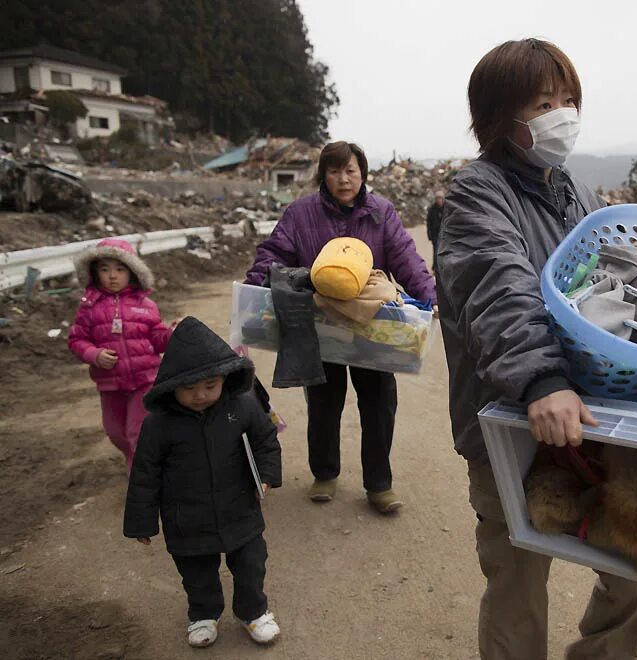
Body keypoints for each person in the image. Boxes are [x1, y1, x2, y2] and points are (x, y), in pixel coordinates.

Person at [436, 38, 637, 659]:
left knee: (634, 563)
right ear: (500, 116)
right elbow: (495, 282)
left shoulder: (577, 194)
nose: (562, 115)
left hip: (595, 419)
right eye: (542, 103)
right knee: (517, 578)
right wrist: (541, 379)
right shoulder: (478, 193)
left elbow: (610, 283)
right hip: (515, 417)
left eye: (568, 100)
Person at [245, 141, 436, 513]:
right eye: (334, 171)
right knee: (322, 403)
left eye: (350, 170)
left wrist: (429, 296)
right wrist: (254, 288)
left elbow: (405, 258)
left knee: (379, 403)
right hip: (319, 322)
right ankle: (325, 473)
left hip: (372, 325)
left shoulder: (381, 212)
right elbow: (274, 253)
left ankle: (379, 485)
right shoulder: (301, 214)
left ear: (363, 173)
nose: (343, 179)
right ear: (323, 175)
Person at [123, 317, 282, 648]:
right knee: (197, 573)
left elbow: (265, 441)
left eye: (210, 386)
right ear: (171, 386)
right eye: (189, 388)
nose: (200, 395)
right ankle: (203, 614)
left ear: (225, 377)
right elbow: (145, 473)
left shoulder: (243, 407)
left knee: (251, 564)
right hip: (186, 519)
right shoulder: (158, 426)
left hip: (240, 508)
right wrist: (142, 521)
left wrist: (266, 476)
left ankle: (253, 612)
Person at [68, 238, 172, 472]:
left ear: (133, 272)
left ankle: (143, 477)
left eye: (119, 269)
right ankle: (132, 455)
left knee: (138, 431)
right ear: (95, 273)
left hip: (145, 380)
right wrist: (94, 354)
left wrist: (171, 334)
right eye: (104, 269)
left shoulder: (145, 305)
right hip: (110, 383)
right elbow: (76, 340)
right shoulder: (89, 308)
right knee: (115, 432)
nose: (112, 276)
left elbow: (157, 340)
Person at [425, 189, 445, 271]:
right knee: (436, 251)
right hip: (435, 234)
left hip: (444, 234)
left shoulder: (446, 209)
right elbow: (429, 223)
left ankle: (442, 267)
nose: (439, 200)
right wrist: (429, 234)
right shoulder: (432, 210)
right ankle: (436, 268)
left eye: (440, 198)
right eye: (437, 198)